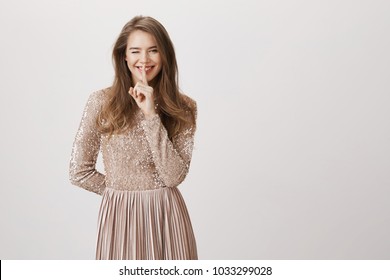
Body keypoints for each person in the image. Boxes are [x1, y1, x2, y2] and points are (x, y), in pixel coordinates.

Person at [69, 16, 198, 260]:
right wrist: (120, 193)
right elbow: (79, 171)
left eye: (153, 50)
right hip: (120, 217)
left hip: (166, 218)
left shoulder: (184, 107)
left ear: (165, 55)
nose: (144, 60)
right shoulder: (101, 102)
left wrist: (151, 115)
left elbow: (174, 176)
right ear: (124, 56)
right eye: (135, 51)